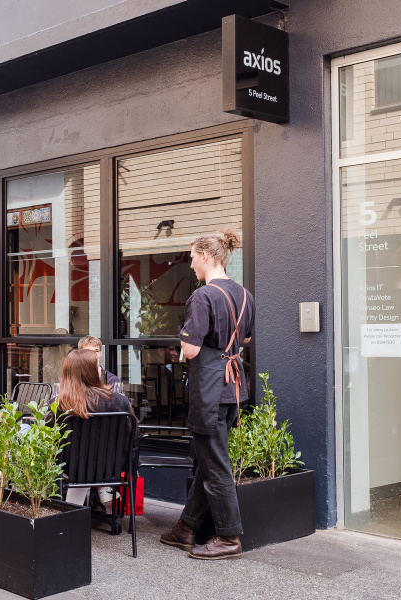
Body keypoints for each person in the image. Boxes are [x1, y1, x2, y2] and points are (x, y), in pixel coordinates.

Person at [160, 229, 254, 560]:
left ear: (206, 256)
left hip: (210, 390)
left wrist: (182, 343)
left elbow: (190, 349)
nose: (189, 266)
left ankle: (229, 537)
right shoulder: (245, 295)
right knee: (207, 460)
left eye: (191, 258)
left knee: (215, 465)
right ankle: (186, 528)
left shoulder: (203, 296)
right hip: (234, 390)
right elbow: (243, 341)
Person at [53, 348, 137, 506]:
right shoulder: (120, 401)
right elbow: (135, 434)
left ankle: (68, 514)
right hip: (112, 466)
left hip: (72, 467)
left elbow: (48, 435)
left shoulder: (59, 404)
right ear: (94, 371)